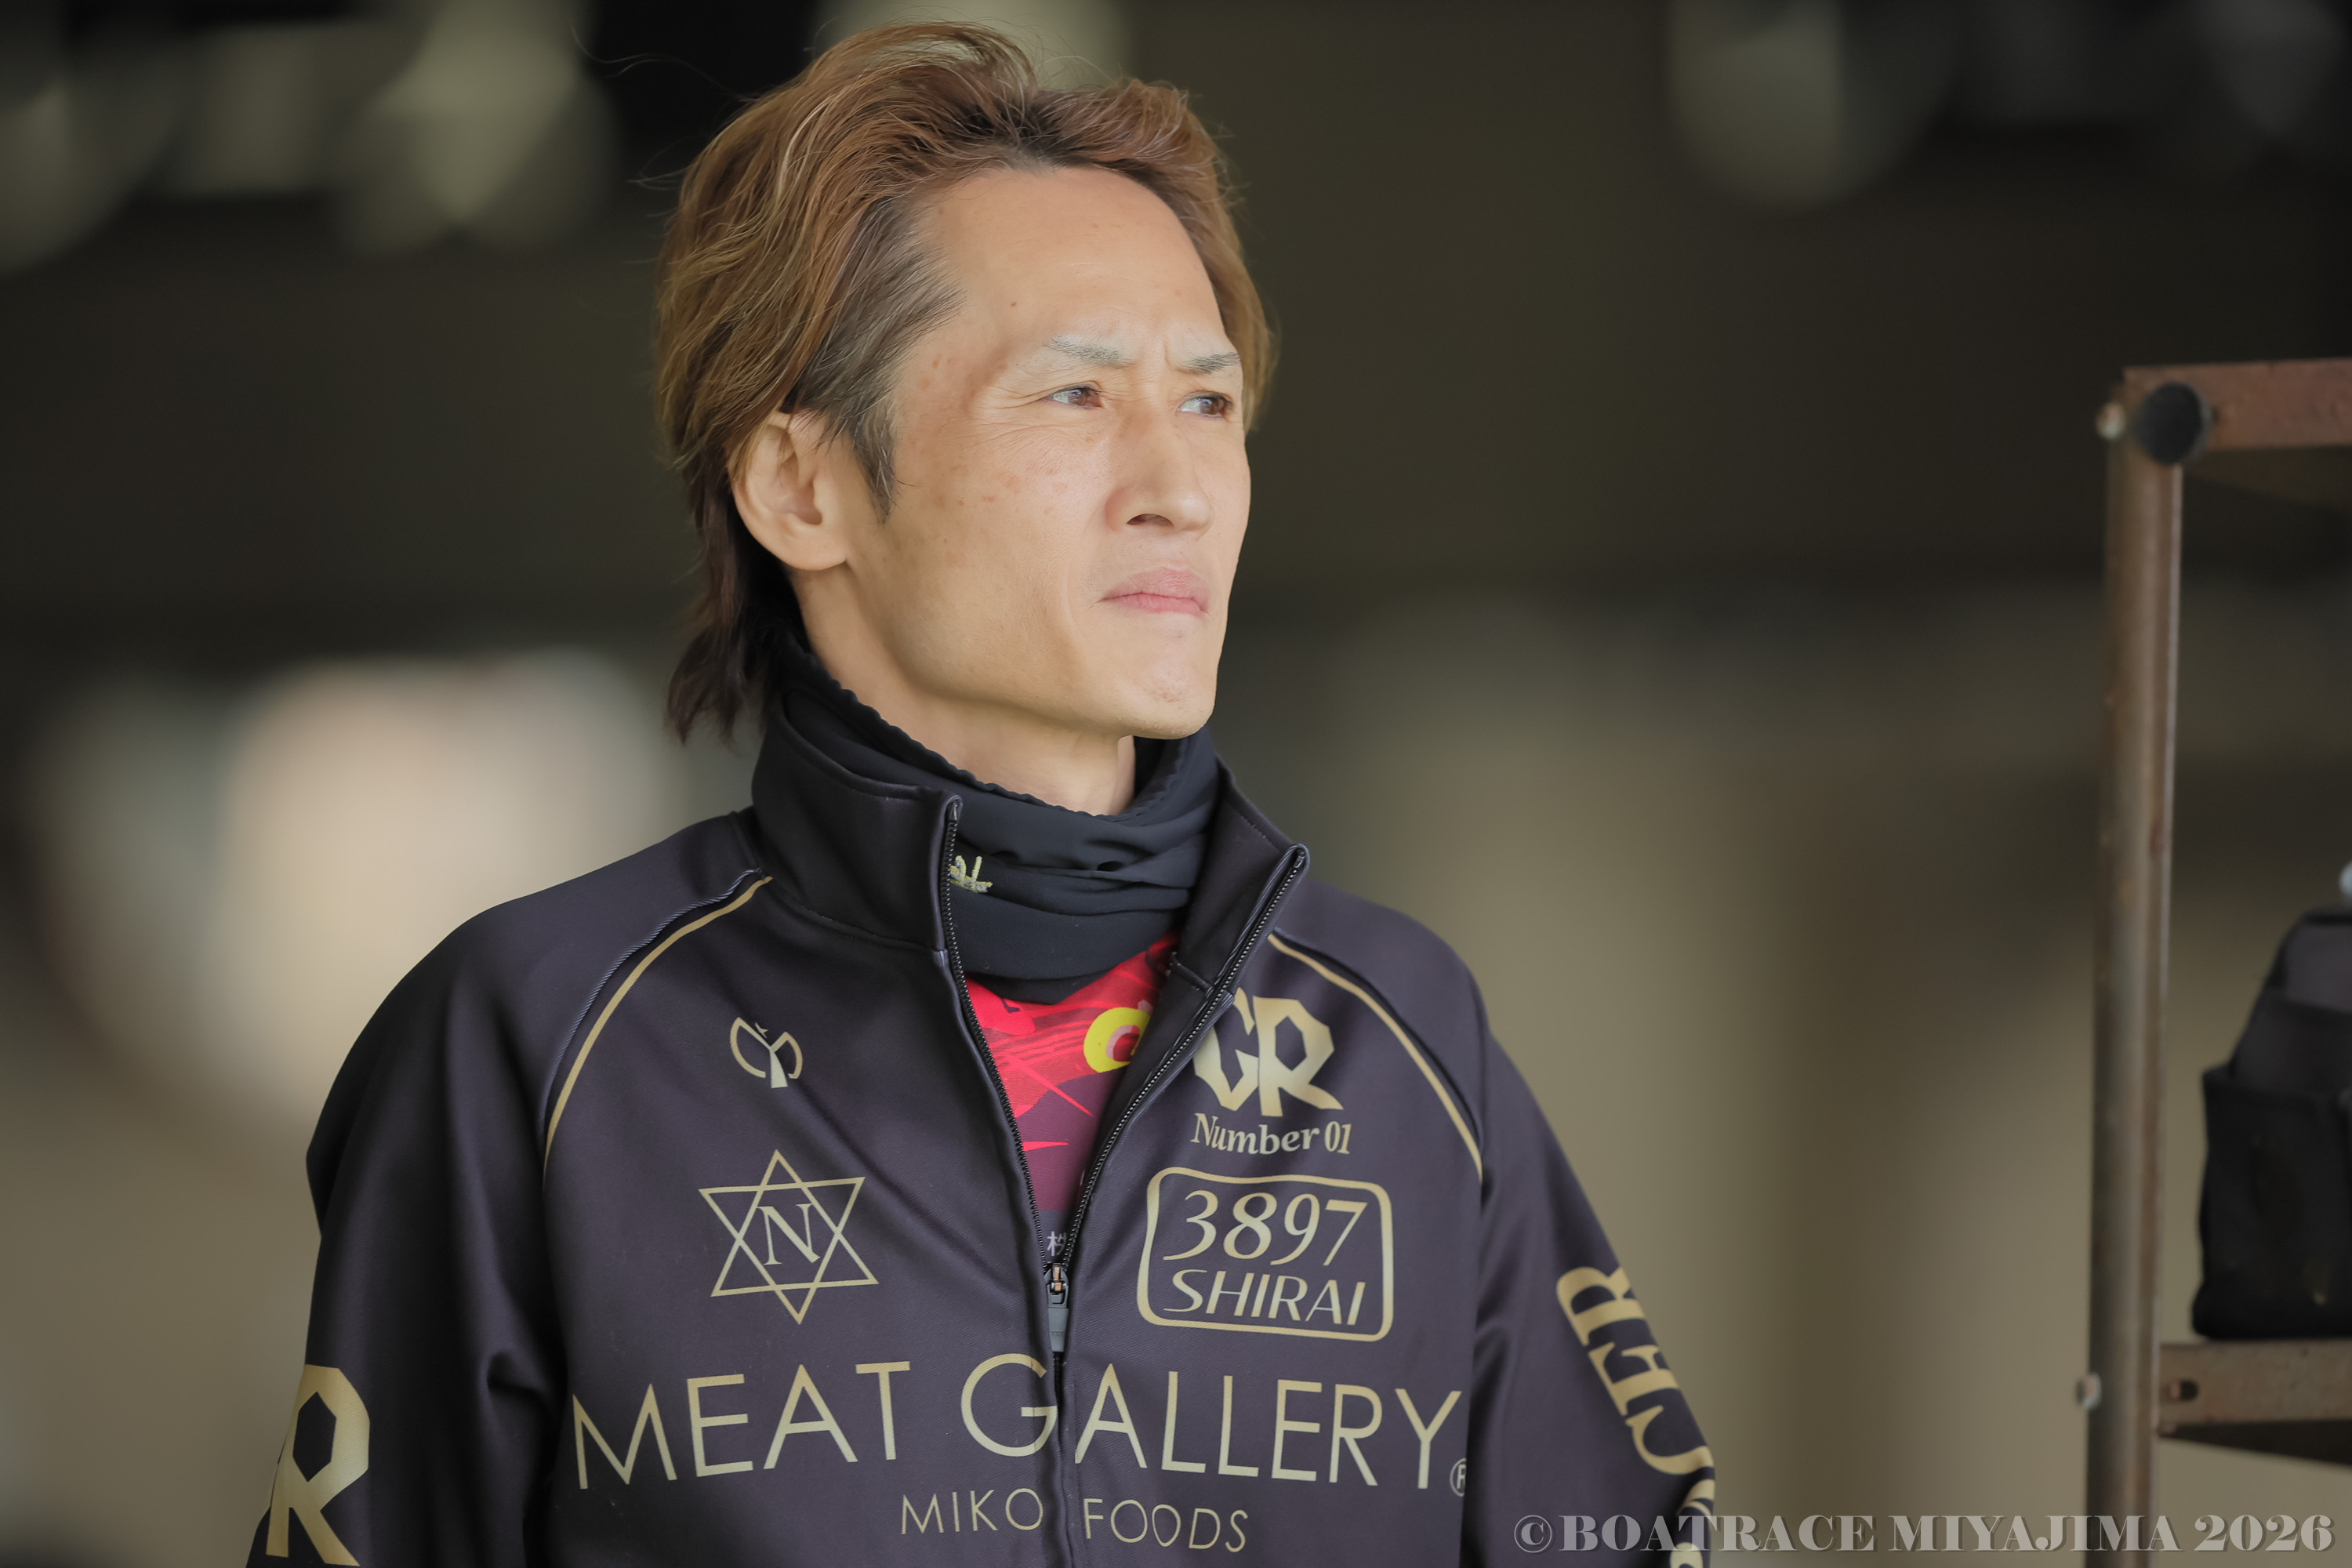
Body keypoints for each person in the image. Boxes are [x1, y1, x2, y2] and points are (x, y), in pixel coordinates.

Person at [248, 24, 1711, 1566]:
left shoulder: (1407, 1043)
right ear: (801, 485)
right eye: (1075, 396)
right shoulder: (534, 1045)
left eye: (1209, 404)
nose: (1180, 488)